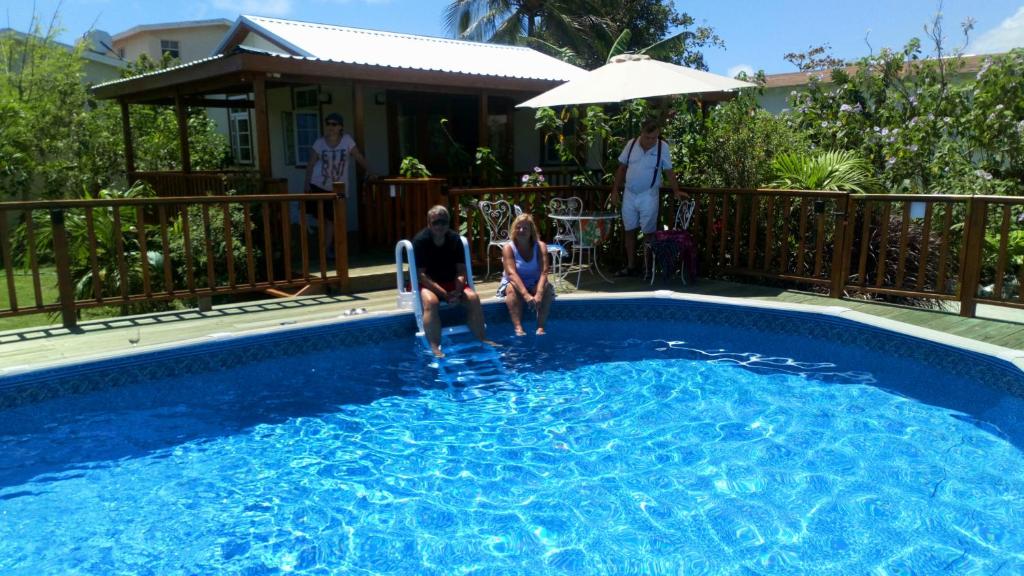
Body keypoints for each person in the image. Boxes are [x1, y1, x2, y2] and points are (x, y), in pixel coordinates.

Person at [610, 120, 688, 276]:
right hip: (630, 194)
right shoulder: (631, 145)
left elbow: (669, 171)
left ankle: (647, 269)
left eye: (655, 137)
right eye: (648, 137)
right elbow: (622, 168)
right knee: (629, 230)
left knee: (648, 232)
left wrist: (676, 191)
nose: (652, 141)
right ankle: (631, 266)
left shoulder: (662, 147)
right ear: (642, 133)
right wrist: (614, 190)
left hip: (649, 194)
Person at [412, 205, 491, 357]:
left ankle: (482, 338)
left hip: (451, 282)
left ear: (448, 223)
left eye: (443, 222)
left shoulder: (455, 239)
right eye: (435, 222)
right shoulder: (420, 241)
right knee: (431, 302)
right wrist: (444, 294)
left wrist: (458, 291)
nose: (440, 226)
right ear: (429, 224)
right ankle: (435, 347)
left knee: (474, 298)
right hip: (427, 283)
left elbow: (461, 270)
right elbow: (421, 275)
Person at [302, 112, 372, 254]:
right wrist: (306, 183)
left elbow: (357, 156)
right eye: (328, 124)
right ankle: (323, 248)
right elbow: (310, 164)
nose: (331, 127)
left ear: (340, 126)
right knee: (320, 216)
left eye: (334, 124)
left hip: (339, 190)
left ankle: (327, 249)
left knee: (335, 218)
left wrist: (370, 170)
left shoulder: (347, 140)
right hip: (318, 185)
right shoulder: (319, 142)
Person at [497, 213, 555, 336]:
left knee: (547, 288)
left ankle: (540, 327)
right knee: (511, 290)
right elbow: (511, 274)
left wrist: (538, 294)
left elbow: (544, 271)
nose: (521, 230)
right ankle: (518, 328)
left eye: (525, 228)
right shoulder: (508, 248)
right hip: (514, 283)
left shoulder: (540, 246)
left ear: (531, 231)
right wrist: (526, 295)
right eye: (518, 227)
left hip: (534, 283)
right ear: (514, 229)